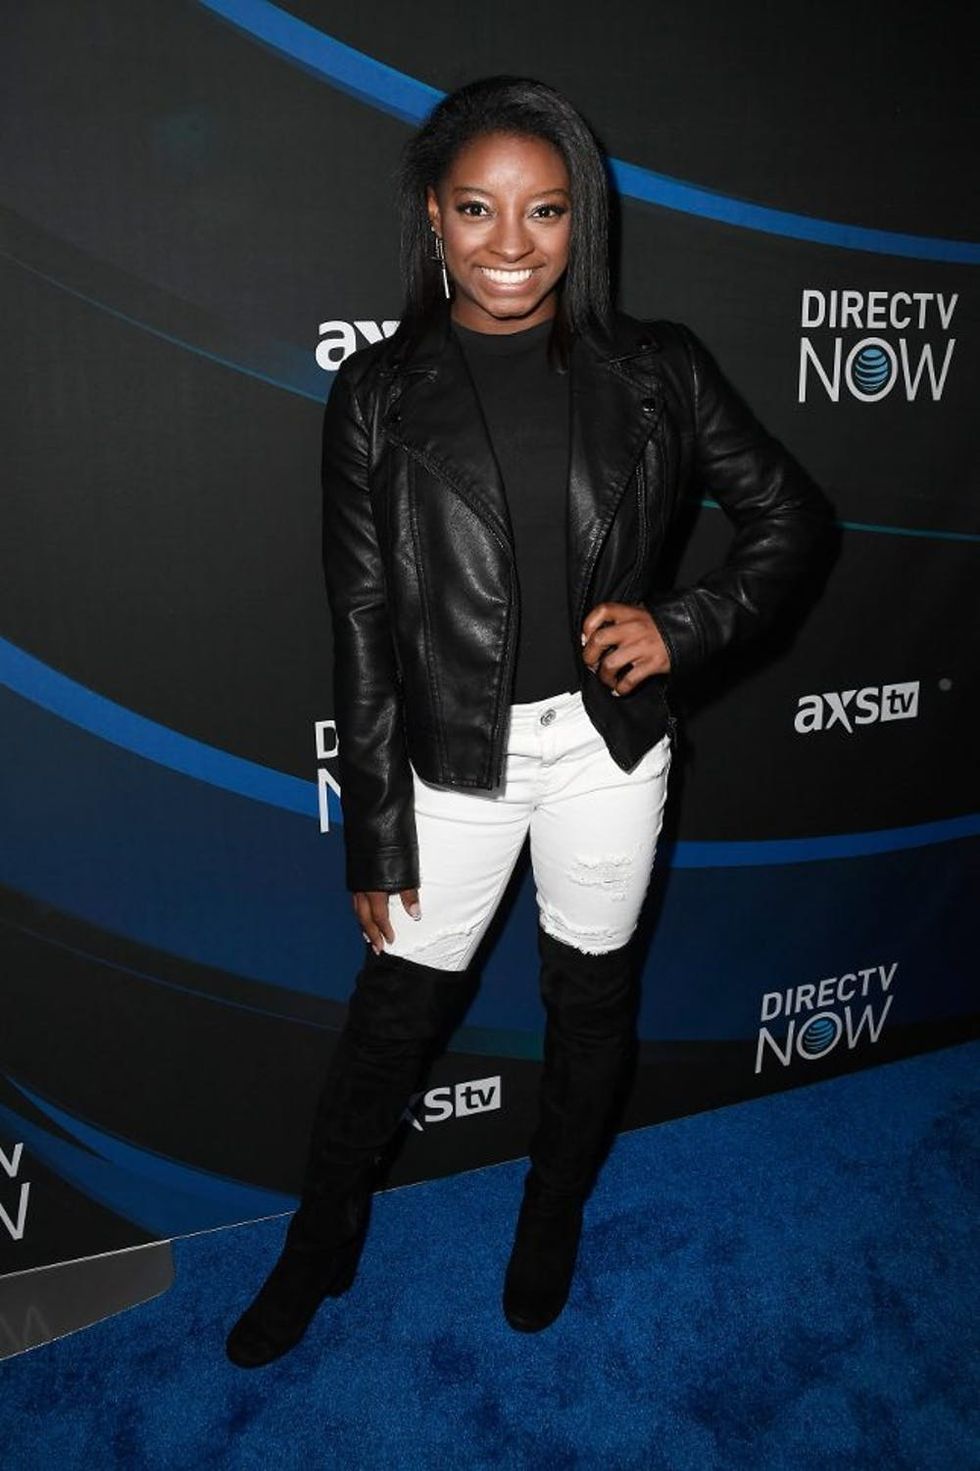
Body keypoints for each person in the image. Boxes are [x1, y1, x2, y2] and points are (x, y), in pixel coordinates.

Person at [225, 75, 831, 1368]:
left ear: (580, 220)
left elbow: (791, 520)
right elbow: (361, 622)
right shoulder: (377, 394)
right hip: (454, 762)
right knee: (391, 1024)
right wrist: (375, 829)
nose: (512, 243)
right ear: (432, 217)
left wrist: (685, 625)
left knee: (591, 1006)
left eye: (545, 210)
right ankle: (319, 1244)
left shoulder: (658, 370)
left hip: (609, 750)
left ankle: (549, 1220)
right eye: (478, 209)